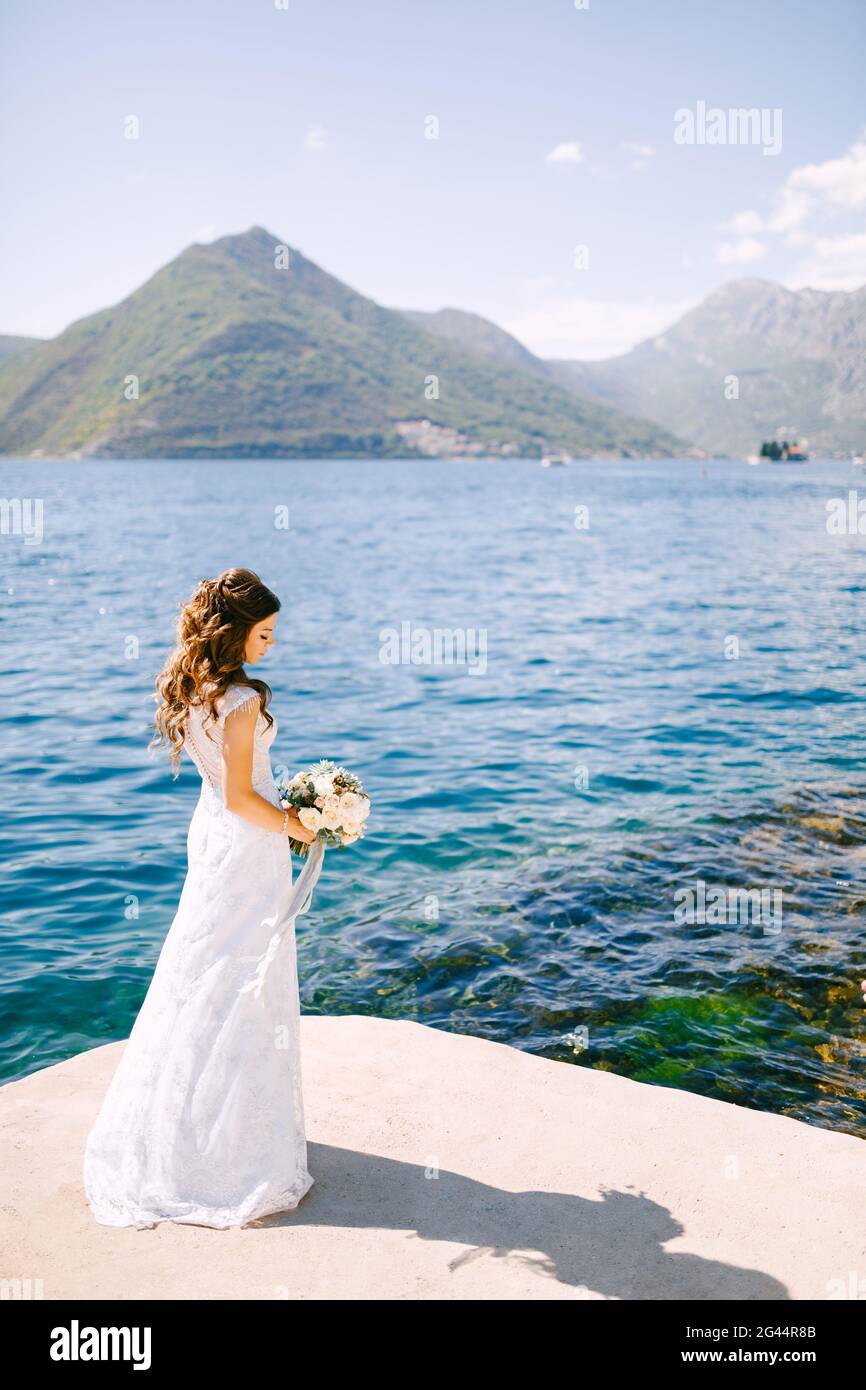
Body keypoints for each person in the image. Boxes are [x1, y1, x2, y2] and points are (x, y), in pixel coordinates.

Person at [83, 567, 325, 1228]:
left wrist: (286, 809)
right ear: (236, 630)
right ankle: (226, 1149)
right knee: (244, 979)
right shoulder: (241, 699)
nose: (271, 645)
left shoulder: (196, 688)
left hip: (215, 839)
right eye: (266, 633)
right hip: (245, 847)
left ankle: (190, 1126)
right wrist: (298, 824)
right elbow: (247, 795)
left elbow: (228, 787)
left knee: (207, 976)